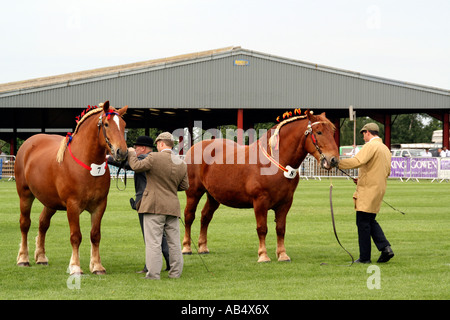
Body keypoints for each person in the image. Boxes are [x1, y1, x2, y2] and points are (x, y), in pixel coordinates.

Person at [128, 132, 189, 279]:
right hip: (172, 207)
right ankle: (175, 273)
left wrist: (131, 153)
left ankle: (153, 274)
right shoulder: (181, 162)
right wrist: (170, 186)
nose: (156, 146)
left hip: (153, 206)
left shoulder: (153, 157)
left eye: (157, 144)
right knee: (174, 243)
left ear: (161, 143)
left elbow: (136, 166)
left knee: (153, 243)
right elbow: (184, 186)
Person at [107, 136, 170, 273]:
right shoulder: (156, 159)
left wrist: (108, 159)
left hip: (146, 202)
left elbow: (130, 165)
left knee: (149, 236)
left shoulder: (144, 159)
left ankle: (150, 266)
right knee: (161, 235)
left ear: (142, 148)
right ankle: (170, 262)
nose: (134, 150)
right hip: (160, 200)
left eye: (136, 148)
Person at [338, 123, 394, 264]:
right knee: (369, 220)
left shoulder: (370, 146)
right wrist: (362, 178)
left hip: (368, 189)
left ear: (367, 132)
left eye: (363, 134)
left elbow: (358, 161)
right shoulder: (385, 148)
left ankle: (364, 258)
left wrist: (337, 163)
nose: (363, 137)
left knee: (362, 222)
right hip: (379, 188)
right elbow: (385, 171)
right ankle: (385, 248)